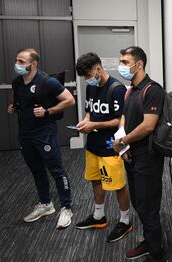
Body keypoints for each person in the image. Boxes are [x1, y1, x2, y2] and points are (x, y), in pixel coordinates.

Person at [113, 46, 168, 262]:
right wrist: (122, 142)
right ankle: (148, 241)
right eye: (121, 61)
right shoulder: (130, 90)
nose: (122, 66)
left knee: (148, 207)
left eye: (125, 62)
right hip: (131, 157)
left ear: (140, 64)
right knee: (138, 202)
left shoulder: (152, 90)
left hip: (148, 159)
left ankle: (158, 256)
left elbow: (148, 126)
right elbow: (125, 117)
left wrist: (124, 140)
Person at [8, 48, 75, 229]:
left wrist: (48, 111)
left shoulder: (48, 82)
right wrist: (12, 106)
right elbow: (15, 98)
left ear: (34, 63)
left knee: (56, 170)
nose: (17, 64)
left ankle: (66, 208)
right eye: (17, 60)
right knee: (36, 170)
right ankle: (46, 204)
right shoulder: (16, 82)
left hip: (45, 133)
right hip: (25, 134)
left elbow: (69, 100)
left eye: (21, 61)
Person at [75, 52, 133, 242]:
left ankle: (125, 221)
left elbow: (119, 121)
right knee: (95, 180)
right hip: (93, 146)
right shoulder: (90, 87)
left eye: (88, 75)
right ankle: (99, 217)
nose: (86, 79)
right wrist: (84, 122)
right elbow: (89, 111)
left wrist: (95, 125)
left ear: (98, 69)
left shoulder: (116, 89)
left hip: (110, 148)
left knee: (117, 185)